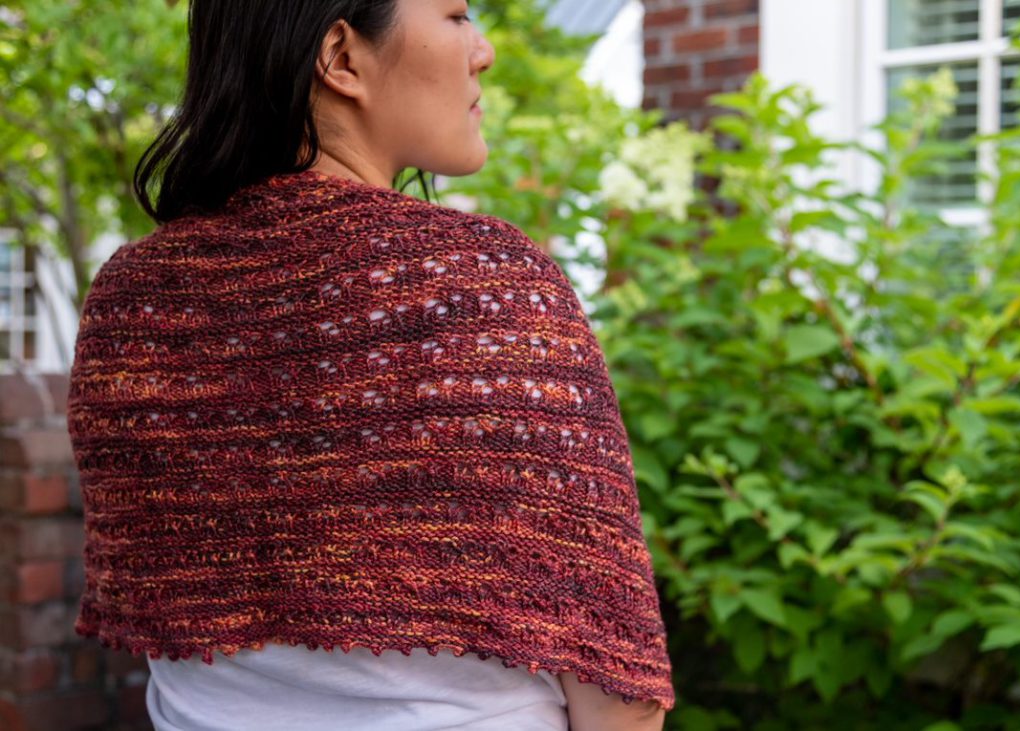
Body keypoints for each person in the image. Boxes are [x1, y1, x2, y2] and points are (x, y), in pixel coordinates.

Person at [67, 1, 674, 729]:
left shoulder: (133, 305)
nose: (481, 50)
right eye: (455, 15)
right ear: (341, 59)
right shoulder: (489, 287)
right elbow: (619, 697)